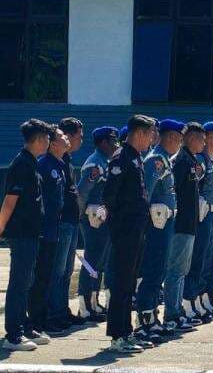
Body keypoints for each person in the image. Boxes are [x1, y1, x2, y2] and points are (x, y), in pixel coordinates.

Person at [102, 114, 156, 353]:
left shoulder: (135, 158)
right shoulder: (121, 159)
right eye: (150, 134)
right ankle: (117, 335)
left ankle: (126, 331)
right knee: (122, 283)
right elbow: (110, 196)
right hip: (125, 231)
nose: (152, 139)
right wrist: (119, 227)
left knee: (129, 284)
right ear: (140, 133)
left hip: (136, 229)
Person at [1, 119, 53, 351]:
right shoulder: (21, 165)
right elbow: (9, 203)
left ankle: (24, 324)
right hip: (21, 234)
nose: (49, 142)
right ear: (39, 139)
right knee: (19, 282)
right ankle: (14, 334)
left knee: (28, 280)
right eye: (46, 138)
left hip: (32, 233)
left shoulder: (32, 163)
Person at [135, 119, 186, 343]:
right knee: (153, 271)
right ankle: (145, 319)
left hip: (165, 223)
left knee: (160, 271)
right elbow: (144, 193)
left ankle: (152, 315)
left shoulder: (165, 160)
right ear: (170, 138)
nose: (179, 143)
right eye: (178, 139)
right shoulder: (156, 160)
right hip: (156, 226)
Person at [182, 122, 213, 323]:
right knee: (197, 258)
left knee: (207, 257)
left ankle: (199, 298)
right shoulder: (200, 160)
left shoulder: (211, 159)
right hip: (202, 215)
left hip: (212, 213)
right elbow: (195, 187)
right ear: (209, 137)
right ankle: (189, 299)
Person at [164, 122, 206, 330]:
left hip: (190, 223)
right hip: (180, 224)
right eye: (200, 138)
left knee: (183, 269)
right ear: (189, 138)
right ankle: (171, 313)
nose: (203, 143)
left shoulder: (191, 159)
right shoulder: (181, 160)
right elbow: (175, 192)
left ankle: (178, 310)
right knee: (176, 270)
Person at [28, 126, 69, 337]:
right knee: (40, 277)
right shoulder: (44, 165)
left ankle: (41, 319)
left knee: (47, 275)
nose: (67, 139)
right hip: (43, 230)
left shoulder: (59, 165)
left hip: (54, 229)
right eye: (62, 137)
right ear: (52, 143)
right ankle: (35, 321)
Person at [47, 118, 86, 332]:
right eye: (78, 136)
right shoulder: (50, 163)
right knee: (58, 270)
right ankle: (54, 313)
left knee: (67, 270)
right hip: (61, 224)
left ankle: (62, 310)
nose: (80, 140)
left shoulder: (66, 161)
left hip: (71, 222)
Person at [77, 126, 120, 323]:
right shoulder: (95, 163)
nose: (115, 145)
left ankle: (94, 302)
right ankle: (85, 306)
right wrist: (78, 215)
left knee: (100, 262)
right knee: (92, 261)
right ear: (103, 142)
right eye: (112, 141)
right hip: (93, 218)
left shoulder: (106, 161)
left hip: (104, 218)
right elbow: (83, 192)